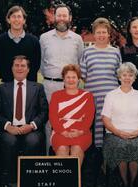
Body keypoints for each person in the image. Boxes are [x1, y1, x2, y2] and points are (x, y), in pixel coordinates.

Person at [0, 55, 48, 187]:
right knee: (10, 142)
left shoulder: (38, 88)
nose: (19, 68)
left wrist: (31, 125)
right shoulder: (2, 88)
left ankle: (29, 181)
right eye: (16, 65)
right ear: (12, 68)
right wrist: (7, 126)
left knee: (32, 142)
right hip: (10, 128)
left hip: (30, 128)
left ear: (28, 69)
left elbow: (44, 112)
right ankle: (12, 183)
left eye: (23, 66)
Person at [102, 62, 138, 187]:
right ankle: (125, 184)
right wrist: (118, 132)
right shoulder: (111, 95)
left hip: (136, 133)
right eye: (124, 75)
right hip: (114, 134)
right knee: (121, 147)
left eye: (130, 75)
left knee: (136, 146)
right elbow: (105, 119)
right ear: (119, 77)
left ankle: (133, 183)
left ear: (134, 78)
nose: (127, 78)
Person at [40, 3, 84, 152]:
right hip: (49, 86)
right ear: (54, 17)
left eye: (65, 16)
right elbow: (41, 63)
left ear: (69, 18)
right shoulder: (44, 38)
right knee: (48, 122)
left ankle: (68, 157)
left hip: (70, 87)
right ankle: (48, 155)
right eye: (59, 15)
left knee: (70, 121)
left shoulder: (77, 39)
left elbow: (79, 61)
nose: (61, 19)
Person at [80, 17, 121, 149]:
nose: (101, 35)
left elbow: (119, 74)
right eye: (98, 32)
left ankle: (111, 156)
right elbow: (84, 75)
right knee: (96, 127)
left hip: (113, 98)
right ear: (94, 34)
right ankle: (97, 154)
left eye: (104, 32)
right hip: (93, 97)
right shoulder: (87, 52)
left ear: (109, 34)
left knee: (112, 126)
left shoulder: (116, 52)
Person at [49, 64, 95, 167]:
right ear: (63, 79)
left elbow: (89, 117)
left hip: (82, 132)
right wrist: (63, 131)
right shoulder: (56, 95)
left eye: (74, 77)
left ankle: (73, 182)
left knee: (77, 149)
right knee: (62, 149)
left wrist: (80, 131)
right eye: (68, 77)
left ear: (79, 79)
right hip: (60, 131)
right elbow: (53, 117)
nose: (71, 80)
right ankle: (63, 180)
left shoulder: (87, 96)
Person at [0, 5, 41, 82]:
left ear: (24, 20)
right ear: (8, 20)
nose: (16, 19)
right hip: (7, 84)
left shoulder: (34, 41)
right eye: (13, 16)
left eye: (19, 16)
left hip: (29, 85)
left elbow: (36, 65)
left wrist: (23, 82)